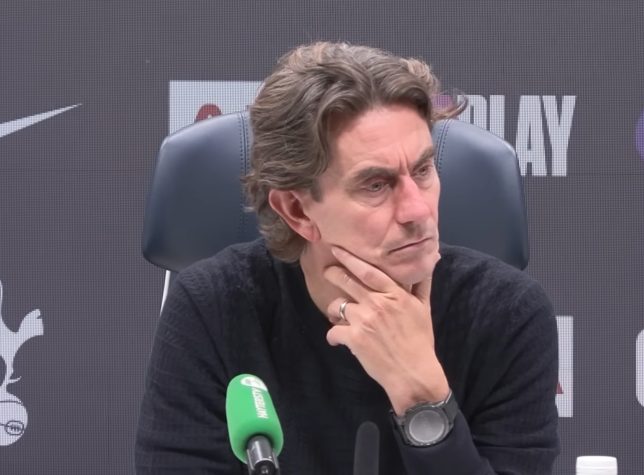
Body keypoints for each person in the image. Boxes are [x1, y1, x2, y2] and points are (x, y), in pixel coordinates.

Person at [135, 42, 559, 474]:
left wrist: (424, 399)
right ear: (297, 212)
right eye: (376, 185)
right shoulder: (213, 308)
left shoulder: (508, 315)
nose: (417, 210)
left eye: (423, 170)